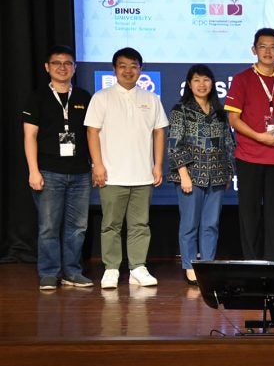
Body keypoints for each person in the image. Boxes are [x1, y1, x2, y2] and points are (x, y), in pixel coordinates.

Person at [84, 47, 168, 289]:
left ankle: (137, 267)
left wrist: (158, 164)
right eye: (123, 65)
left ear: (141, 69)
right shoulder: (102, 97)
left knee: (140, 224)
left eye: (134, 66)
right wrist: (97, 165)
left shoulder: (151, 99)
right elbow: (92, 132)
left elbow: (159, 132)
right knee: (110, 224)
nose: (128, 70)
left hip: (142, 174)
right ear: (114, 69)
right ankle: (111, 268)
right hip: (111, 174)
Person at [22, 45, 93, 290]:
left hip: (81, 172)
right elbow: (29, 136)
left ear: (75, 67)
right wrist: (33, 170)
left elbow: (92, 135)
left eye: (67, 63)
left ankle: (72, 272)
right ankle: (49, 273)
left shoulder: (84, 97)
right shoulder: (38, 96)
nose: (62, 67)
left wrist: (94, 166)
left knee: (77, 228)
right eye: (56, 63)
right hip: (49, 171)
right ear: (47, 67)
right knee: (49, 227)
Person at [224, 28, 274, 260]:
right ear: (254, 49)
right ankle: (252, 263)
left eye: (273, 47)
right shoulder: (242, 79)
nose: (267, 51)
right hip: (249, 156)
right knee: (249, 214)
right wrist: (259, 136)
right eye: (262, 46)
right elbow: (233, 119)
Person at [168, 64, 235, 285]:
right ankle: (189, 266)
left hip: (216, 175)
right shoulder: (181, 110)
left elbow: (228, 143)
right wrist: (184, 174)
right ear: (189, 84)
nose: (202, 84)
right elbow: (175, 144)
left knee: (211, 224)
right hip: (190, 175)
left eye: (206, 80)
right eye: (196, 80)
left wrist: (228, 173)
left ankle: (207, 264)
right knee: (189, 224)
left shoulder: (219, 111)